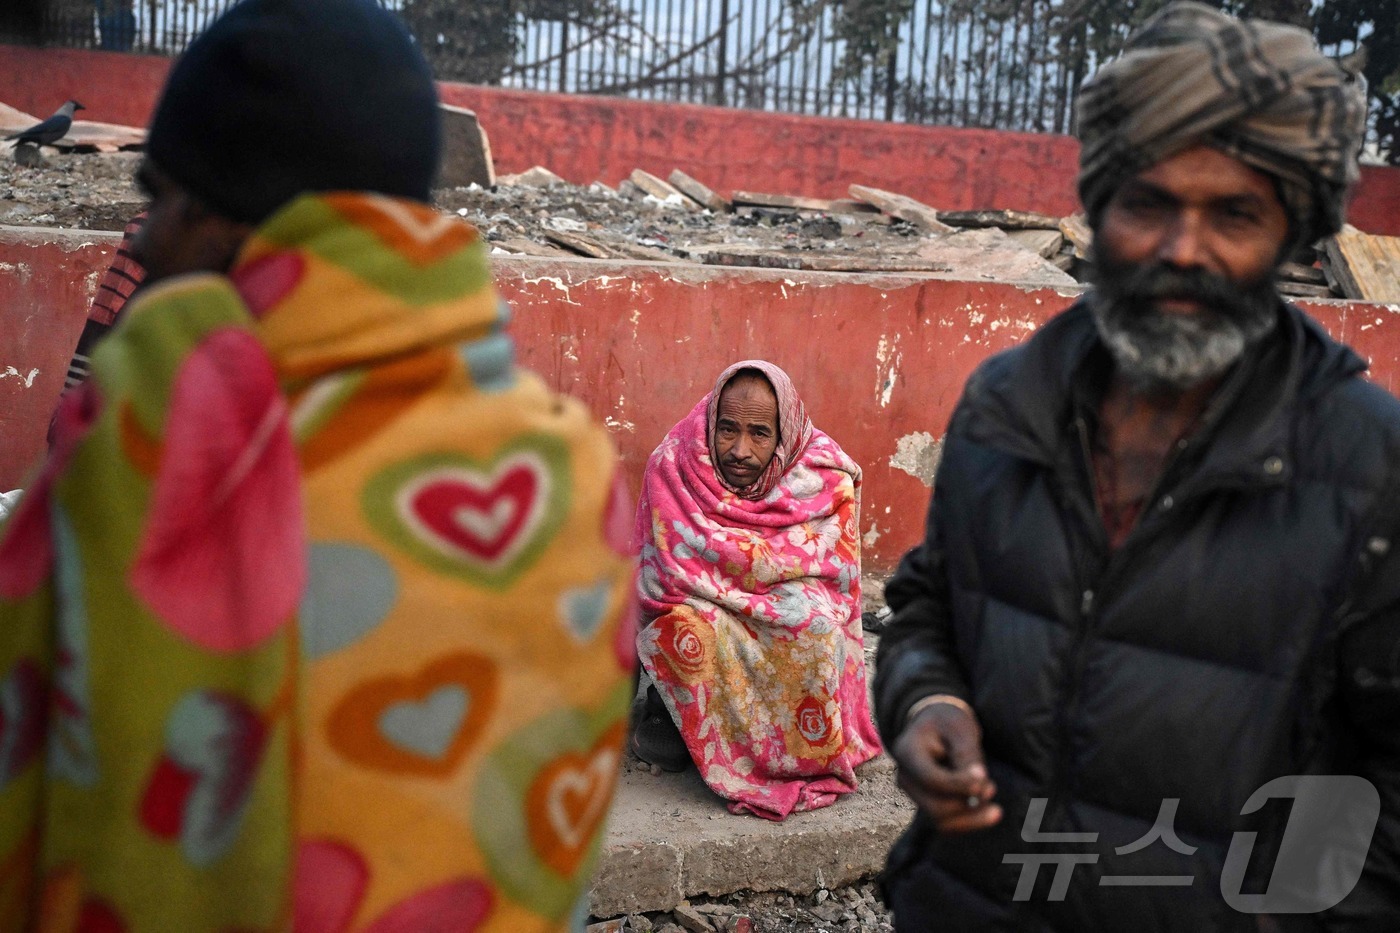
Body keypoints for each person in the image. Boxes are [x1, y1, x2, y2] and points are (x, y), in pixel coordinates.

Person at [0, 0, 636, 929]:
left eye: (163, 194)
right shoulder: (571, 475)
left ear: (222, 220)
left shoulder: (159, 443)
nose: (148, 235)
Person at [875, 3, 1398, 929]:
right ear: (1099, 205)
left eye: (1234, 213)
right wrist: (927, 699)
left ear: (1292, 231)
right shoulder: (1007, 404)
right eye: (1148, 203)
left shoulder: (1370, 468)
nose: (1181, 249)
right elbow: (929, 599)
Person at [632, 360, 881, 820]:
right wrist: (733, 600)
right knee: (685, 629)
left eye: (759, 434)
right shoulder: (674, 465)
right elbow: (658, 578)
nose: (740, 450)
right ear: (711, 421)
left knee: (819, 628)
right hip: (700, 602)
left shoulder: (822, 477)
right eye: (727, 429)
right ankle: (670, 714)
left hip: (787, 599)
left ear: (783, 433)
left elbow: (835, 580)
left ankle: (796, 754)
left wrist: (768, 602)